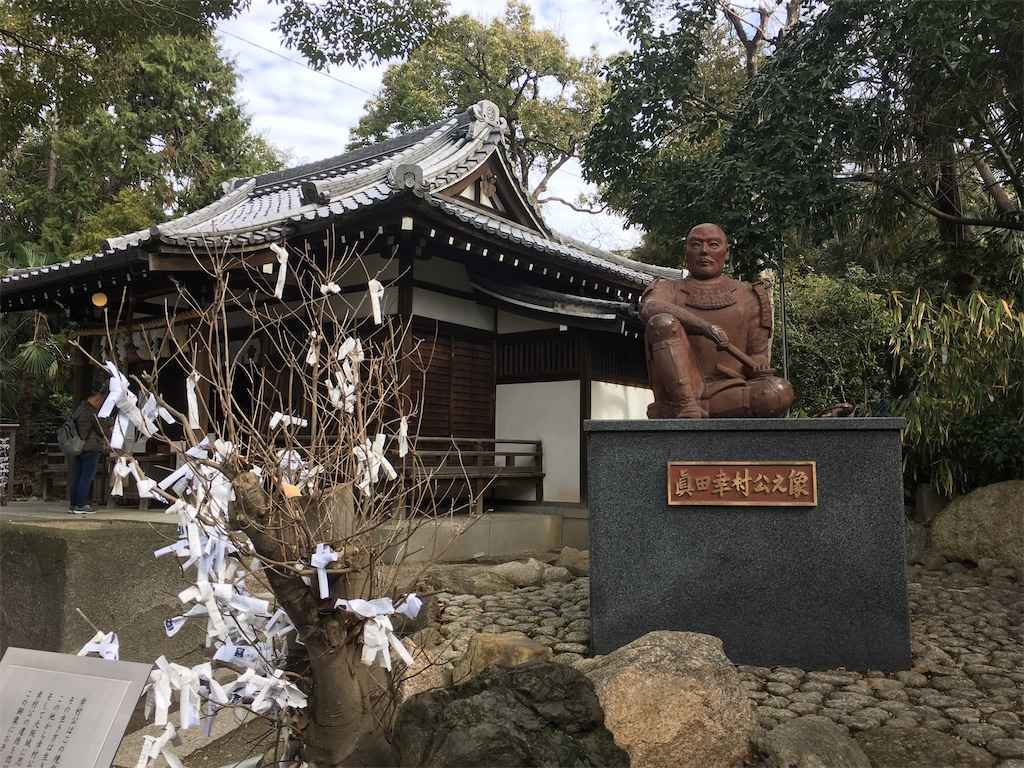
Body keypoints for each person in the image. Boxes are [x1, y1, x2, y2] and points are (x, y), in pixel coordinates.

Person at [640, 223, 794, 418]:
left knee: (779, 392)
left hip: (728, 391)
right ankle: (686, 405)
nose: (704, 251)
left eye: (713, 244)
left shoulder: (748, 294)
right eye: (696, 245)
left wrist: (759, 365)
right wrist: (705, 327)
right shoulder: (667, 288)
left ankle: (697, 408)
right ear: (686, 251)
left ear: (727, 252)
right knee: (662, 322)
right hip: (679, 393)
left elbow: (758, 353)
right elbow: (650, 308)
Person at [67, 387, 110, 514]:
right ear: (96, 398)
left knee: (77, 476)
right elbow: (101, 429)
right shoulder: (92, 412)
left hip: (77, 446)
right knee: (86, 477)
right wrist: (109, 425)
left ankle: (74, 504)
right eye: (101, 400)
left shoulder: (79, 409)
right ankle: (81, 505)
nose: (101, 403)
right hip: (90, 447)